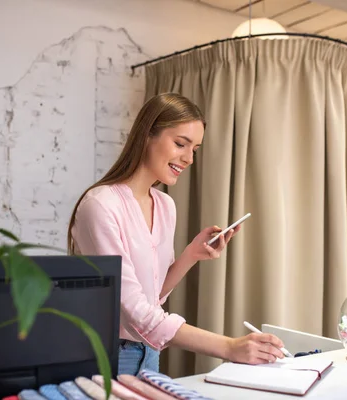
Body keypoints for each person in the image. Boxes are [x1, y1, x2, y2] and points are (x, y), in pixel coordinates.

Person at [67, 93, 285, 376]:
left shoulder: (165, 205)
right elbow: (133, 310)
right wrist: (230, 347)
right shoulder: (100, 205)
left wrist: (192, 254)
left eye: (195, 148)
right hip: (103, 357)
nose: (189, 158)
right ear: (147, 135)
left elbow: (151, 297)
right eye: (180, 144)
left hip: (149, 354)